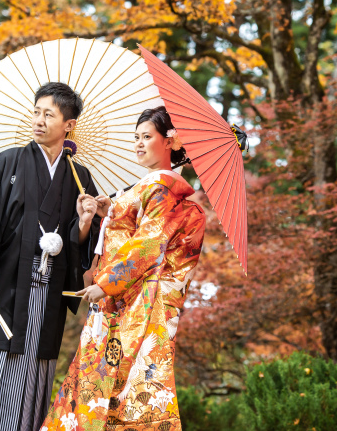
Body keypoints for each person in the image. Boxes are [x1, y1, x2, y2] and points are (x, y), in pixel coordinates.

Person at [41, 106, 206, 431]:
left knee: (118, 386)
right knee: (120, 387)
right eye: (136, 137)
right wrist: (108, 212)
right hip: (135, 302)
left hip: (135, 304)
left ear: (171, 142)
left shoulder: (162, 190)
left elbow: (146, 245)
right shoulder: (159, 191)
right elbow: (136, 235)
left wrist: (105, 284)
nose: (138, 144)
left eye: (147, 137)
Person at [0, 82, 101, 431]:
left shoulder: (81, 178)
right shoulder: (9, 162)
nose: (39, 120)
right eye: (36, 112)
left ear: (69, 125)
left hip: (48, 292)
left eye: (49, 114)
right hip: (3, 284)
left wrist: (85, 221)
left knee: (33, 370)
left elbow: (80, 244)